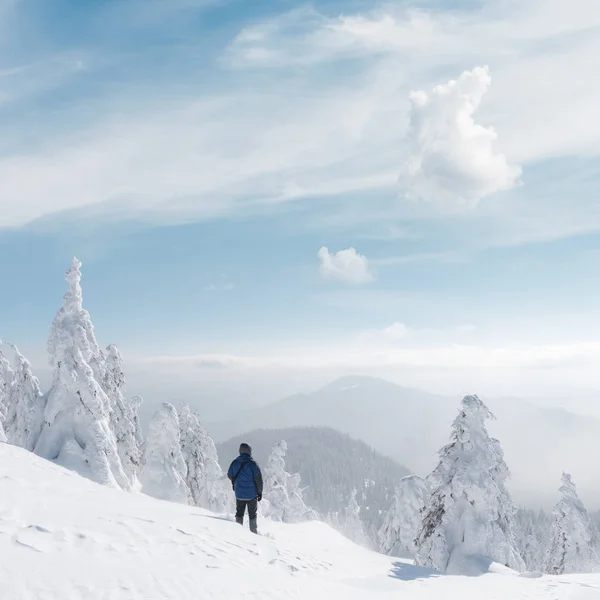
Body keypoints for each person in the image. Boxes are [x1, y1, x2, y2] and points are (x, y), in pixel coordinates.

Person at [227, 443, 263, 534]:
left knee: (239, 513)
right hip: (252, 495)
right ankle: (253, 532)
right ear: (249, 451)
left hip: (239, 494)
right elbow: (258, 480)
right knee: (252, 515)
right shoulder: (253, 464)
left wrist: (236, 482)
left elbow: (229, 475)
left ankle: (238, 532)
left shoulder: (235, 463)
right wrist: (259, 492)